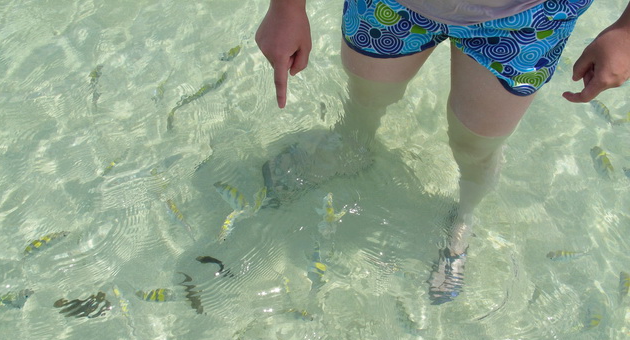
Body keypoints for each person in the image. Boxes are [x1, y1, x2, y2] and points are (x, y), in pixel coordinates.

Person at [255, 0, 630, 304]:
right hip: (393, 3)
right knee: (368, 96)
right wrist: (287, 8)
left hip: (528, 17)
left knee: (476, 145)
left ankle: (464, 217)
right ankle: (351, 145)